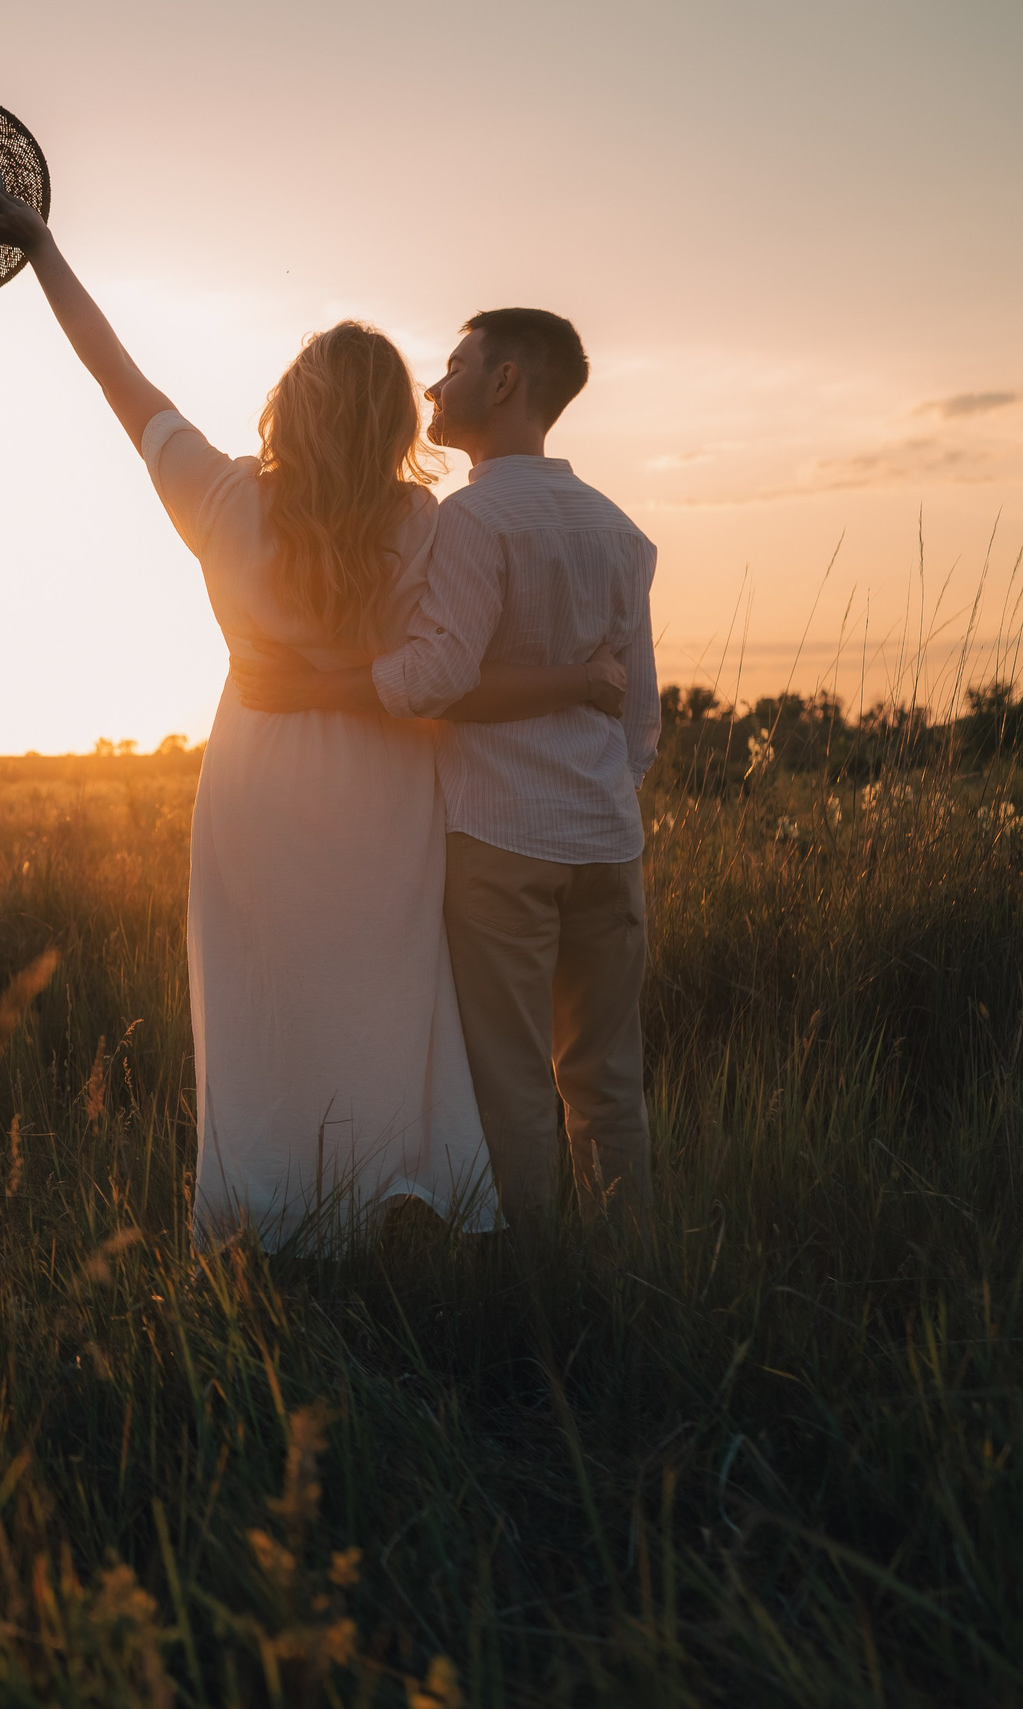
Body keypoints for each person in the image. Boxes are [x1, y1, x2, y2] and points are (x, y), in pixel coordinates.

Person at [0, 182, 625, 1251]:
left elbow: (112, 373)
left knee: (264, 1000)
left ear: (286, 404)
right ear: (399, 421)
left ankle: (272, 1212)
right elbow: (454, 660)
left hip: (258, 784)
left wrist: (40, 249)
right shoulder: (422, 518)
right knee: (392, 999)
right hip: (390, 786)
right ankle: (401, 1199)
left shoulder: (217, 497)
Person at [231, 311, 659, 1244]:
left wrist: (317, 684)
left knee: (509, 1077)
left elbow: (433, 677)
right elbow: (640, 724)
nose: (433, 386)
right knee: (608, 1078)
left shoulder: (470, 520)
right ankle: (631, 1269)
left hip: (500, 838)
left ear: (506, 383)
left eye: (456, 365)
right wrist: (596, 785)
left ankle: (536, 1280)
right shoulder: (622, 533)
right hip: (609, 839)